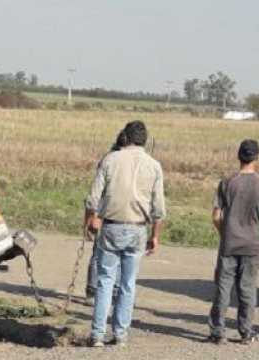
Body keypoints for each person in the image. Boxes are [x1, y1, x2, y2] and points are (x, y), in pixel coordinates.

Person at [84, 120, 166, 347]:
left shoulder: (110, 159)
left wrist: (91, 221)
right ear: (145, 140)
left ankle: (97, 334)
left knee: (105, 281)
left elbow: (93, 198)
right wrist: (155, 236)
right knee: (128, 284)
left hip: (110, 226)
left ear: (125, 137)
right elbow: (159, 209)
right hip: (138, 229)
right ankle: (120, 334)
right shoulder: (154, 165)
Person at [207, 139, 259, 345]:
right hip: (253, 244)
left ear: (239, 156)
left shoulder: (227, 182)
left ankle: (218, 332)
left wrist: (224, 233)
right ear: (256, 157)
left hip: (229, 243)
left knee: (223, 288)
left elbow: (216, 215)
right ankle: (246, 332)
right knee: (247, 288)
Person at [84, 130, 130, 302]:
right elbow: (97, 193)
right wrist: (93, 216)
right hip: (107, 212)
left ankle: (99, 290)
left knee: (103, 253)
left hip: (109, 213)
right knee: (104, 253)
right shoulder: (110, 160)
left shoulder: (111, 159)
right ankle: (97, 290)